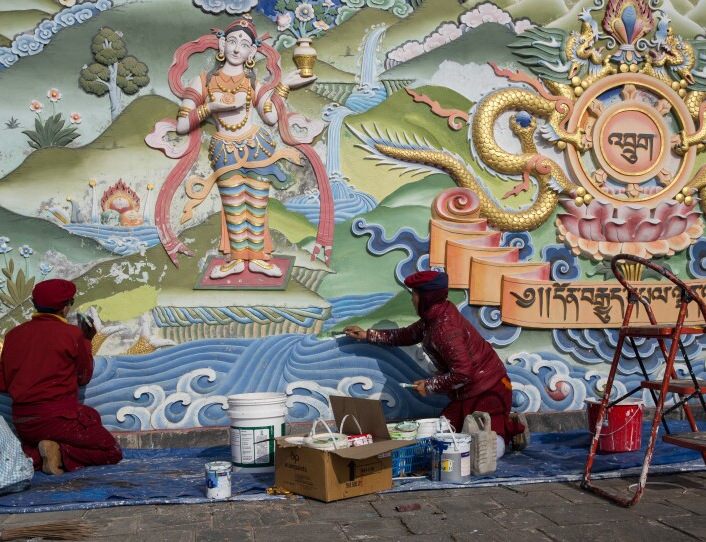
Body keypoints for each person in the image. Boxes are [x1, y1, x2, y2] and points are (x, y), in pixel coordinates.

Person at [174, 19, 315, 279]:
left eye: (245, 44)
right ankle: (237, 259)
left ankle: (259, 258)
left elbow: (271, 118)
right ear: (222, 44)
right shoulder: (203, 81)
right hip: (224, 149)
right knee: (234, 206)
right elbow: (182, 124)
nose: (237, 49)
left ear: (252, 52)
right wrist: (212, 108)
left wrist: (284, 87)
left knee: (257, 205)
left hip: (255, 146)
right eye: (232, 41)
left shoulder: (252, 83)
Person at [344, 271, 529, 454]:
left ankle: (511, 427)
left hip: (489, 390)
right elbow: (407, 335)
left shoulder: (445, 328)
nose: (412, 300)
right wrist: (368, 335)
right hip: (467, 392)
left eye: (415, 295)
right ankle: (508, 425)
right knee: (443, 434)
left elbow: (464, 372)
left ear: (427, 297)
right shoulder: (433, 317)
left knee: (484, 446)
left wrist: (430, 385)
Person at [0, 279, 122, 475]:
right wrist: (87, 340)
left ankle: (37, 451)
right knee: (110, 451)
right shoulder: (72, 334)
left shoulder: (13, 335)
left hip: (23, 422)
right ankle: (51, 454)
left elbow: (2, 385)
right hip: (57, 419)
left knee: (91, 416)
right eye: (71, 303)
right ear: (64, 308)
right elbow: (83, 377)